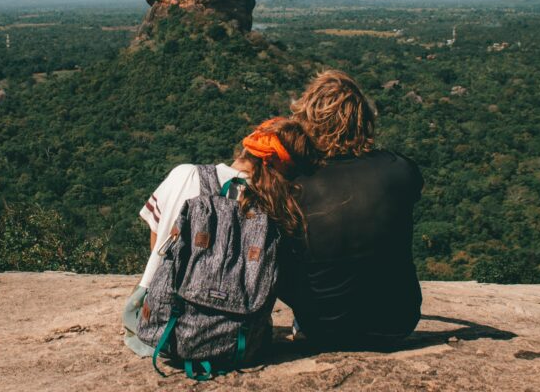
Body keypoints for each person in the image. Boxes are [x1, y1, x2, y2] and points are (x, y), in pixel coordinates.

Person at [123, 117, 315, 357]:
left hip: (161, 329)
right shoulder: (279, 208)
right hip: (238, 338)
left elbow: (157, 246)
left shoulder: (185, 175)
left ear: (246, 147)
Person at [280, 69, 423, 349]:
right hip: (397, 322)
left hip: (323, 328)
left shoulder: (295, 185)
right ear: (364, 119)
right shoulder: (401, 170)